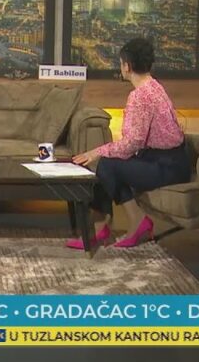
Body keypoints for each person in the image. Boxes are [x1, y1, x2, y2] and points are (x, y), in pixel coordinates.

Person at [67, 37, 189, 249]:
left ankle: (134, 222)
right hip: (175, 162)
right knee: (109, 163)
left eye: (121, 63)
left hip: (165, 167)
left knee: (106, 165)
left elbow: (132, 143)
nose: (121, 67)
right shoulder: (155, 86)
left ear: (128, 66)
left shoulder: (140, 96)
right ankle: (101, 228)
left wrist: (95, 152)